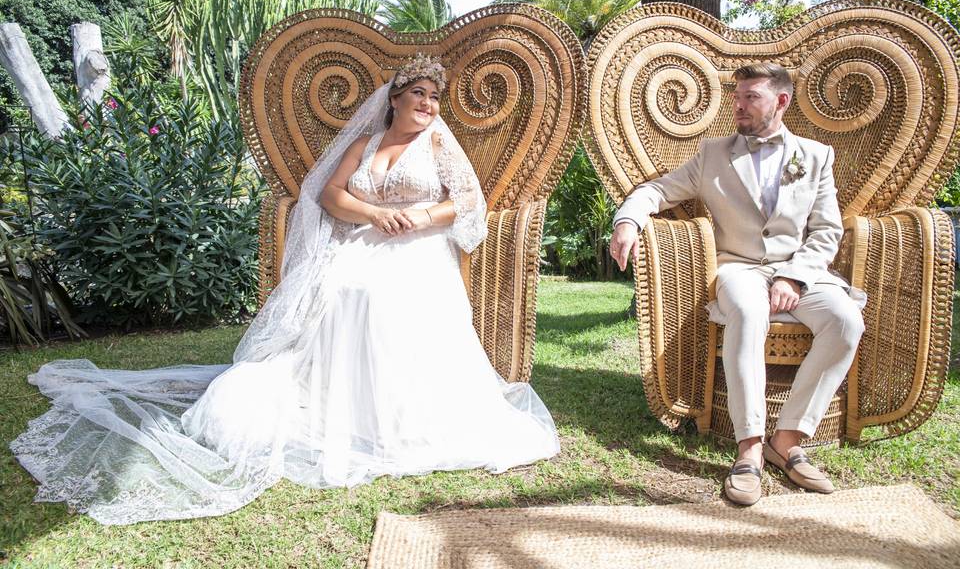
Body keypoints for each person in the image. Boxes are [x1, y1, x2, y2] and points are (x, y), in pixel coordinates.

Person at [11, 54, 560, 525]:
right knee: (340, 290)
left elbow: (466, 201)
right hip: (364, 239)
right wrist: (372, 212)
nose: (430, 104)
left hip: (419, 248)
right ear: (393, 99)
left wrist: (418, 218)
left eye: (436, 97)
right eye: (420, 94)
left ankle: (396, 416)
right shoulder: (366, 144)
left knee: (374, 296)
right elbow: (328, 196)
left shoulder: (438, 140)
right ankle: (328, 401)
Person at [609, 62, 865, 506]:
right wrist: (628, 220)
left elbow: (826, 231)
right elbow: (658, 190)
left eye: (752, 97)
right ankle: (749, 450)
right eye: (738, 97)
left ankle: (786, 441)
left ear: (781, 101)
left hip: (800, 269)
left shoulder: (817, 155)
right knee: (748, 312)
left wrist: (793, 277)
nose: (739, 106)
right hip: (739, 268)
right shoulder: (713, 154)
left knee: (846, 321)